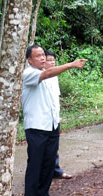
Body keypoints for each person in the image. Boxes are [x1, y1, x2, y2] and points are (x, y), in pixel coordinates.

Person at [22, 44, 86, 196]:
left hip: (51, 125)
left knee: (49, 162)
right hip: (36, 126)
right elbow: (47, 73)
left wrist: (56, 121)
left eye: (43, 55)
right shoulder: (29, 73)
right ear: (29, 60)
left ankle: (43, 194)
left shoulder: (51, 77)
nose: (42, 58)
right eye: (38, 56)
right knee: (35, 163)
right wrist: (71, 64)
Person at [44, 50, 73, 180]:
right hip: (43, 119)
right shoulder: (40, 76)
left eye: (53, 60)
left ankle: (55, 170)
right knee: (42, 148)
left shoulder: (54, 77)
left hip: (54, 117)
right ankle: (43, 173)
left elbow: (56, 98)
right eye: (49, 60)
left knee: (54, 146)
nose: (52, 62)